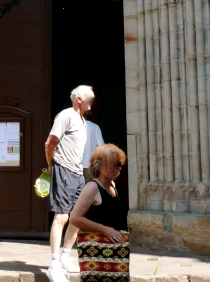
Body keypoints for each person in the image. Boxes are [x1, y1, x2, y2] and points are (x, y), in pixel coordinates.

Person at [44, 85, 95, 282]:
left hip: (77, 171)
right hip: (63, 169)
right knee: (62, 216)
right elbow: (50, 143)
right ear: (79, 99)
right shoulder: (66, 115)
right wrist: (51, 166)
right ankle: (54, 264)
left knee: (77, 216)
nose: (92, 101)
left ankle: (66, 256)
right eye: (90, 97)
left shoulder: (82, 121)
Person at [70, 144, 129, 282]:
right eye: (109, 165)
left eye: (117, 164)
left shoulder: (112, 186)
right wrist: (105, 230)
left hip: (117, 256)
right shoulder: (92, 187)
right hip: (98, 255)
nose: (114, 169)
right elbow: (75, 218)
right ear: (98, 166)